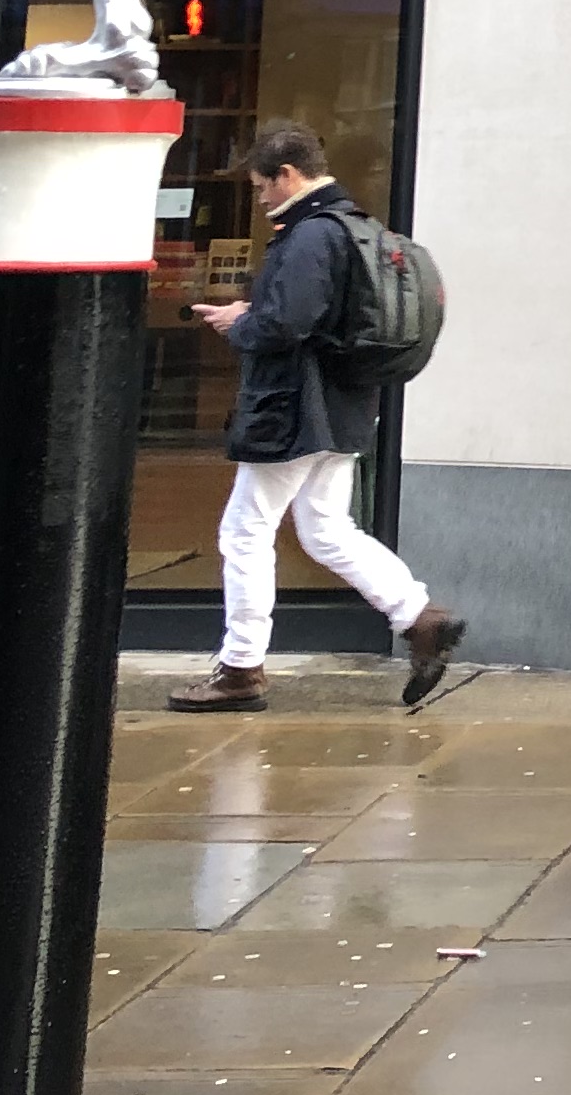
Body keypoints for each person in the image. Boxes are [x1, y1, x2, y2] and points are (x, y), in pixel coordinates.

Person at [169, 124, 464, 715]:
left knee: (245, 531)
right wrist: (257, 312)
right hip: (345, 404)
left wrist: (241, 325)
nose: (259, 200)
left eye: (260, 188)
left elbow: (287, 325)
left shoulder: (308, 236)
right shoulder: (357, 229)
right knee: (326, 529)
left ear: (288, 175)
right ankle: (420, 618)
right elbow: (316, 315)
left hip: (294, 408)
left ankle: (241, 668)